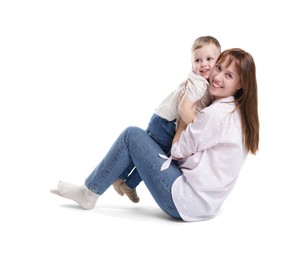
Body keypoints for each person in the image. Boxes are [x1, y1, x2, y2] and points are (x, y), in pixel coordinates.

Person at [50, 48, 259, 222]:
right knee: (146, 139)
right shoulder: (236, 111)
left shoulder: (216, 114)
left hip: (183, 201)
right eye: (219, 68)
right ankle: (118, 180)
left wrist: (185, 114)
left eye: (228, 75)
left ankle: (89, 193)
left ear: (241, 84)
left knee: (132, 136)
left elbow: (177, 151)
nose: (217, 77)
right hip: (206, 204)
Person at [112, 36, 221, 203]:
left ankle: (128, 182)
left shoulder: (203, 82)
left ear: (218, 61)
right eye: (198, 60)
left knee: (151, 156)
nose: (203, 64)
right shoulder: (199, 83)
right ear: (192, 63)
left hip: (163, 119)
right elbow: (184, 109)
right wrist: (199, 128)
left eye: (209, 59)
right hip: (165, 124)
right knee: (152, 156)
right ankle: (122, 178)